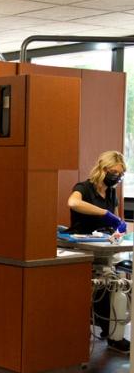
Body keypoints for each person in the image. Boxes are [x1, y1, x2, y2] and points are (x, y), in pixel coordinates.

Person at [67, 150, 129, 354]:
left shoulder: (112, 194)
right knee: (85, 292)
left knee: (112, 286)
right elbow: (73, 203)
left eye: (120, 175)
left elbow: (117, 221)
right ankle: (78, 338)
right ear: (102, 169)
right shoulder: (84, 188)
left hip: (104, 249)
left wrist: (119, 229)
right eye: (113, 172)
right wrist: (104, 213)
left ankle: (113, 334)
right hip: (81, 248)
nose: (116, 178)